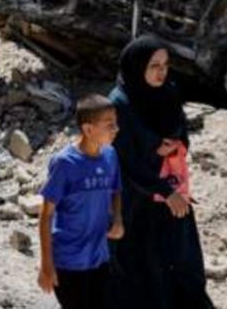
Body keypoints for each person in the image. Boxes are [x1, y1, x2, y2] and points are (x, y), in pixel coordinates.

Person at [109, 35, 214, 309]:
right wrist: (154, 152)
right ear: (137, 65)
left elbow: (182, 132)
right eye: (153, 65)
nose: (161, 71)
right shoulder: (119, 105)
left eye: (165, 64)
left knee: (182, 263)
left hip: (172, 195)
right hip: (138, 202)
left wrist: (176, 144)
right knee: (143, 271)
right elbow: (125, 163)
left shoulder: (168, 93)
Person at [38, 94, 124, 309]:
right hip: (68, 262)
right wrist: (47, 265)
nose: (116, 129)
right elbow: (46, 215)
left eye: (116, 123)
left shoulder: (110, 156)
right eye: (109, 125)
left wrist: (118, 219)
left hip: (99, 259)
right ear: (88, 129)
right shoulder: (65, 163)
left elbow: (116, 190)